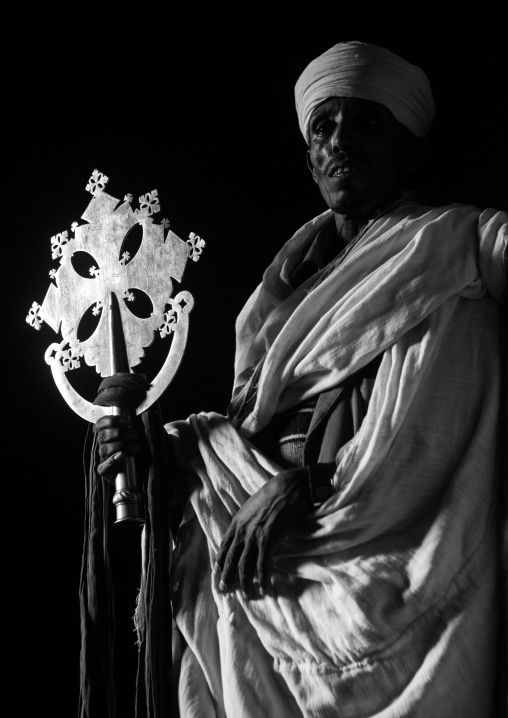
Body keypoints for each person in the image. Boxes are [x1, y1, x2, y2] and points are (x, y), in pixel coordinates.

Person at [95, 41, 507, 717]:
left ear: (413, 150)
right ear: (308, 157)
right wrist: (153, 454)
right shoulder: (278, 293)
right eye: (324, 127)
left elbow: (434, 440)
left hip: (389, 573)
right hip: (257, 577)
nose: (340, 141)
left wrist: (303, 487)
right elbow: (239, 444)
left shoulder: (459, 246)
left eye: (366, 122)